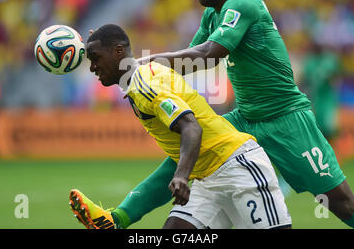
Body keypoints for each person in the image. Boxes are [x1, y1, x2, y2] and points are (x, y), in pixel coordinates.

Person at [88, 0, 354, 230]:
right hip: (244, 118)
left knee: (341, 203)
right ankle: (118, 219)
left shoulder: (245, 4)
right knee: (180, 158)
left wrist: (139, 63)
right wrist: (137, 76)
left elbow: (210, 53)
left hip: (286, 119)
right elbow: (192, 63)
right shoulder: (212, 14)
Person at [69, 24, 292, 229]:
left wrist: (182, 176)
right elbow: (171, 165)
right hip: (207, 178)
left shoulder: (145, 84)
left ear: (118, 51)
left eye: (96, 58)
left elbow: (191, 128)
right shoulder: (140, 79)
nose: (93, 68)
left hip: (237, 166)